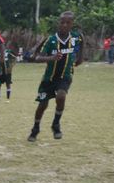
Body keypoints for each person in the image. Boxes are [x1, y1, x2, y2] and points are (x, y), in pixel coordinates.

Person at [29, 11, 82, 142]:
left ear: (71, 24)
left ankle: (56, 124)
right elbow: (37, 58)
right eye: (62, 22)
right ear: (59, 23)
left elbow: (82, 42)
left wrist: (80, 57)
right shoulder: (50, 40)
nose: (64, 25)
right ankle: (35, 128)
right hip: (49, 78)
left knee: (61, 96)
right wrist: (52, 58)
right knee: (42, 105)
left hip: (65, 76)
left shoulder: (76, 38)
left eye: (67, 23)